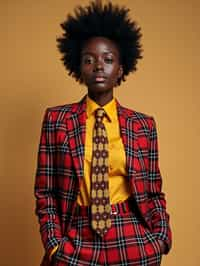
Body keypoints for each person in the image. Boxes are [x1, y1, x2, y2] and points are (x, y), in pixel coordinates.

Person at [34, 1, 172, 265]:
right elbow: (45, 192)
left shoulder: (143, 125)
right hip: (76, 236)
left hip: (130, 237)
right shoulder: (56, 120)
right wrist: (54, 245)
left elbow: (154, 192)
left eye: (108, 59)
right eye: (89, 60)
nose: (99, 66)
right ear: (78, 68)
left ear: (120, 69)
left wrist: (160, 238)